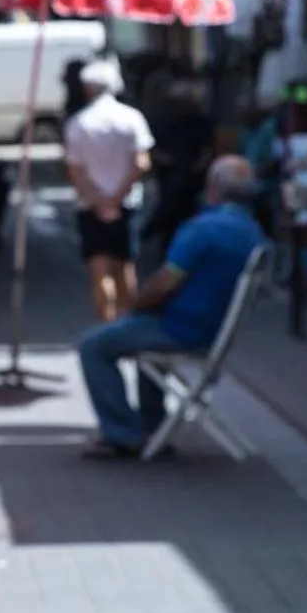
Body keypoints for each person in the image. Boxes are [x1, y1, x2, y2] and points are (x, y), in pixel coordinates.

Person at [77, 155, 266, 458]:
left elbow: (165, 281)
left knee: (93, 345)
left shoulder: (203, 229)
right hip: (211, 330)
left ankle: (122, 433)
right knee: (136, 335)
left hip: (182, 330)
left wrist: (136, 304)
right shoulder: (253, 233)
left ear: (212, 189)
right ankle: (153, 426)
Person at [63, 56, 153, 321]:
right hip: (126, 203)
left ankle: (107, 322)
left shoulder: (78, 123)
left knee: (99, 268)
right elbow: (141, 162)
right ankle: (128, 323)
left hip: (90, 205)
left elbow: (75, 170)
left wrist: (99, 200)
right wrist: (117, 198)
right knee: (125, 266)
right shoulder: (132, 118)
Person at [147, 76, 215, 258]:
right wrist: (163, 159)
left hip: (192, 178)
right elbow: (152, 147)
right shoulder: (162, 121)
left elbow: (207, 149)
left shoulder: (201, 122)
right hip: (169, 175)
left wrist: (199, 165)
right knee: (169, 214)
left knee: (188, 215)